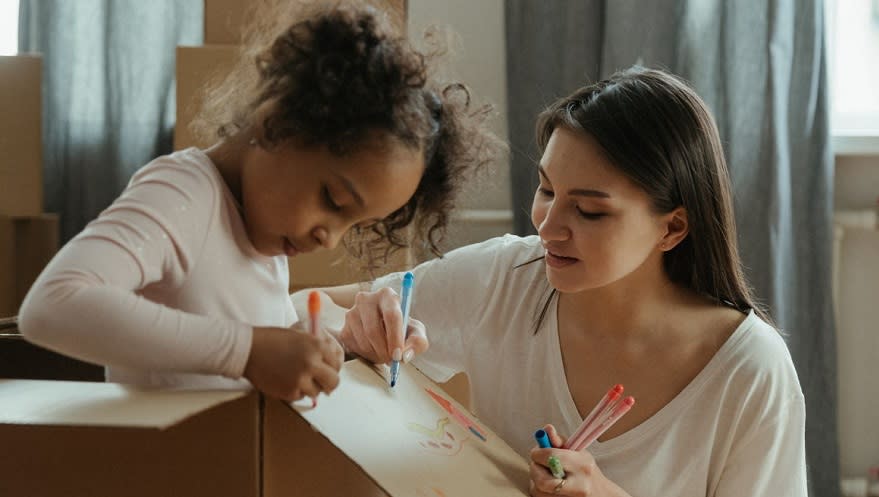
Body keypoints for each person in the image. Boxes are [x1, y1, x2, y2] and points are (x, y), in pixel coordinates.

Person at [307, 67, 807, 496]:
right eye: (546, 189)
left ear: (672, 227)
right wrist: (355, 329)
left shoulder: (748, 371)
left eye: (589, 211)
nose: (547, 227)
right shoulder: (505, 278)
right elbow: (298, 310)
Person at [17, 0, 498, 403]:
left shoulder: (263, 233)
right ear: (277, 122)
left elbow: (266, 338)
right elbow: (53, 306)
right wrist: (245, 351)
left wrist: (342, 347)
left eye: (354, 224)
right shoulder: (186, 193)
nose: (328, 238)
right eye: (332, 198)